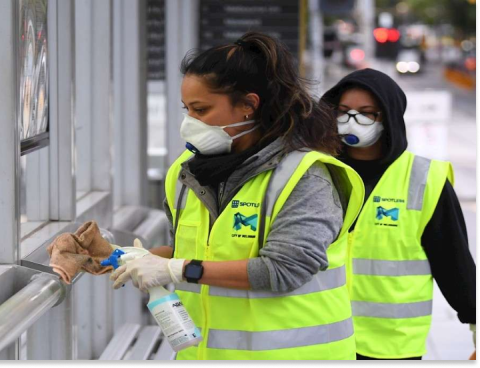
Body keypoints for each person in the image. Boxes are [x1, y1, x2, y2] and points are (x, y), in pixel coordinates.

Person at [110, 32, 365, 360]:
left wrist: (177, 269)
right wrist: (130, 258)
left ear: (248, 105)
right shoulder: (187, 174)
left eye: (201, 109)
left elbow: (284, 269)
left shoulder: (305, 177)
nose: (190, 122)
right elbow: (197, 251)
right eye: (187, 109)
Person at [321, 68, 476, 360]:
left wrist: (473, 321)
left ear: (388, 117)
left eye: (366, 113)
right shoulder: (318, 171)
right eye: (343, 112)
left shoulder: (425, 179)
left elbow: (453, 262)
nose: (352, 121)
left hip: (391, 344)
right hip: (323, 337)